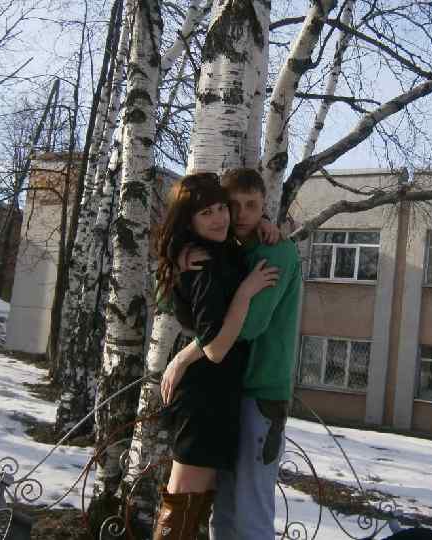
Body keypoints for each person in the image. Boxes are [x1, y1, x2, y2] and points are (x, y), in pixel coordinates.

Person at [161, 168, 302, 540]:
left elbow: (246, 328)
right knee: (220, 512)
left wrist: (182, 357)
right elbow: (181, 309)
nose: (237, 215)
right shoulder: (227, 251)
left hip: (260, 394)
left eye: (250, 206)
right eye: (230, 205)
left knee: (250, 513)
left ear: (265, 206)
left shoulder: (272, 250)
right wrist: (179, 255)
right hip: (224, 393)